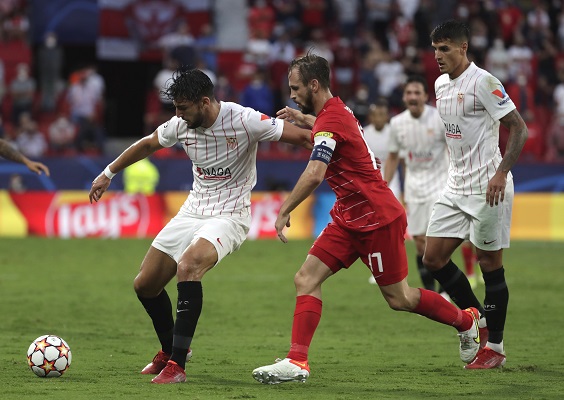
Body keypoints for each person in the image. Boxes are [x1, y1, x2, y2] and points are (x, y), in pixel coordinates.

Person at [251, 53, 481, 385]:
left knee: (399, 299)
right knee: (306, 278)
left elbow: (315, 174)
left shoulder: (331, 121)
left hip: (377, 220)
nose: (292, 95)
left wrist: (285, 208)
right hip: (348, 218)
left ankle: (466, 320)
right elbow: (330, 134)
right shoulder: (335, 112)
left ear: (314, 85)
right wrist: (306, 120)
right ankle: (297, 360)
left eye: (296, 87)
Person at [88, 68, 312, 384]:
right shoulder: (181, 124)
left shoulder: (245, 119)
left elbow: (304, 138)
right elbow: (149, 144)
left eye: (182, 108)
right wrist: (108, 173)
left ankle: (177, 365)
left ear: (204, 102)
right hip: (193, 210)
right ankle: (171, 350)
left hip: (230, 214)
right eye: (175, 108)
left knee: (189, 266)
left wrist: (334, 146)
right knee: (145, 285)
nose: (177, 115)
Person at [424, 20, 528, 369]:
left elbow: (519, 127)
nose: (438, 55)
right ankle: (479, 319)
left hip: (488, 187)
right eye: (435, 48)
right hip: (455, 186)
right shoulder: (439, 84)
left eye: (445, 49)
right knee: (432, 257)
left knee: (489, 266)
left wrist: (502, 173)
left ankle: (495, 348)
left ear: (463, 48)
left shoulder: (484, 82)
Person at [381, 75, 448, 293]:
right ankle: (432, 292)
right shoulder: (397, 123)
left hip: (440, 185)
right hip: (414, 187)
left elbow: (454, 148)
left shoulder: (439, 118)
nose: (413, 97)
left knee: (434, 242)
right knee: (419, 242)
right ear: (403, 97)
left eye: (417, 93)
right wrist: (382, 186)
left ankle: (444, 289)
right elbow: (392, 157)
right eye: (409, 93)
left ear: (425, 96)